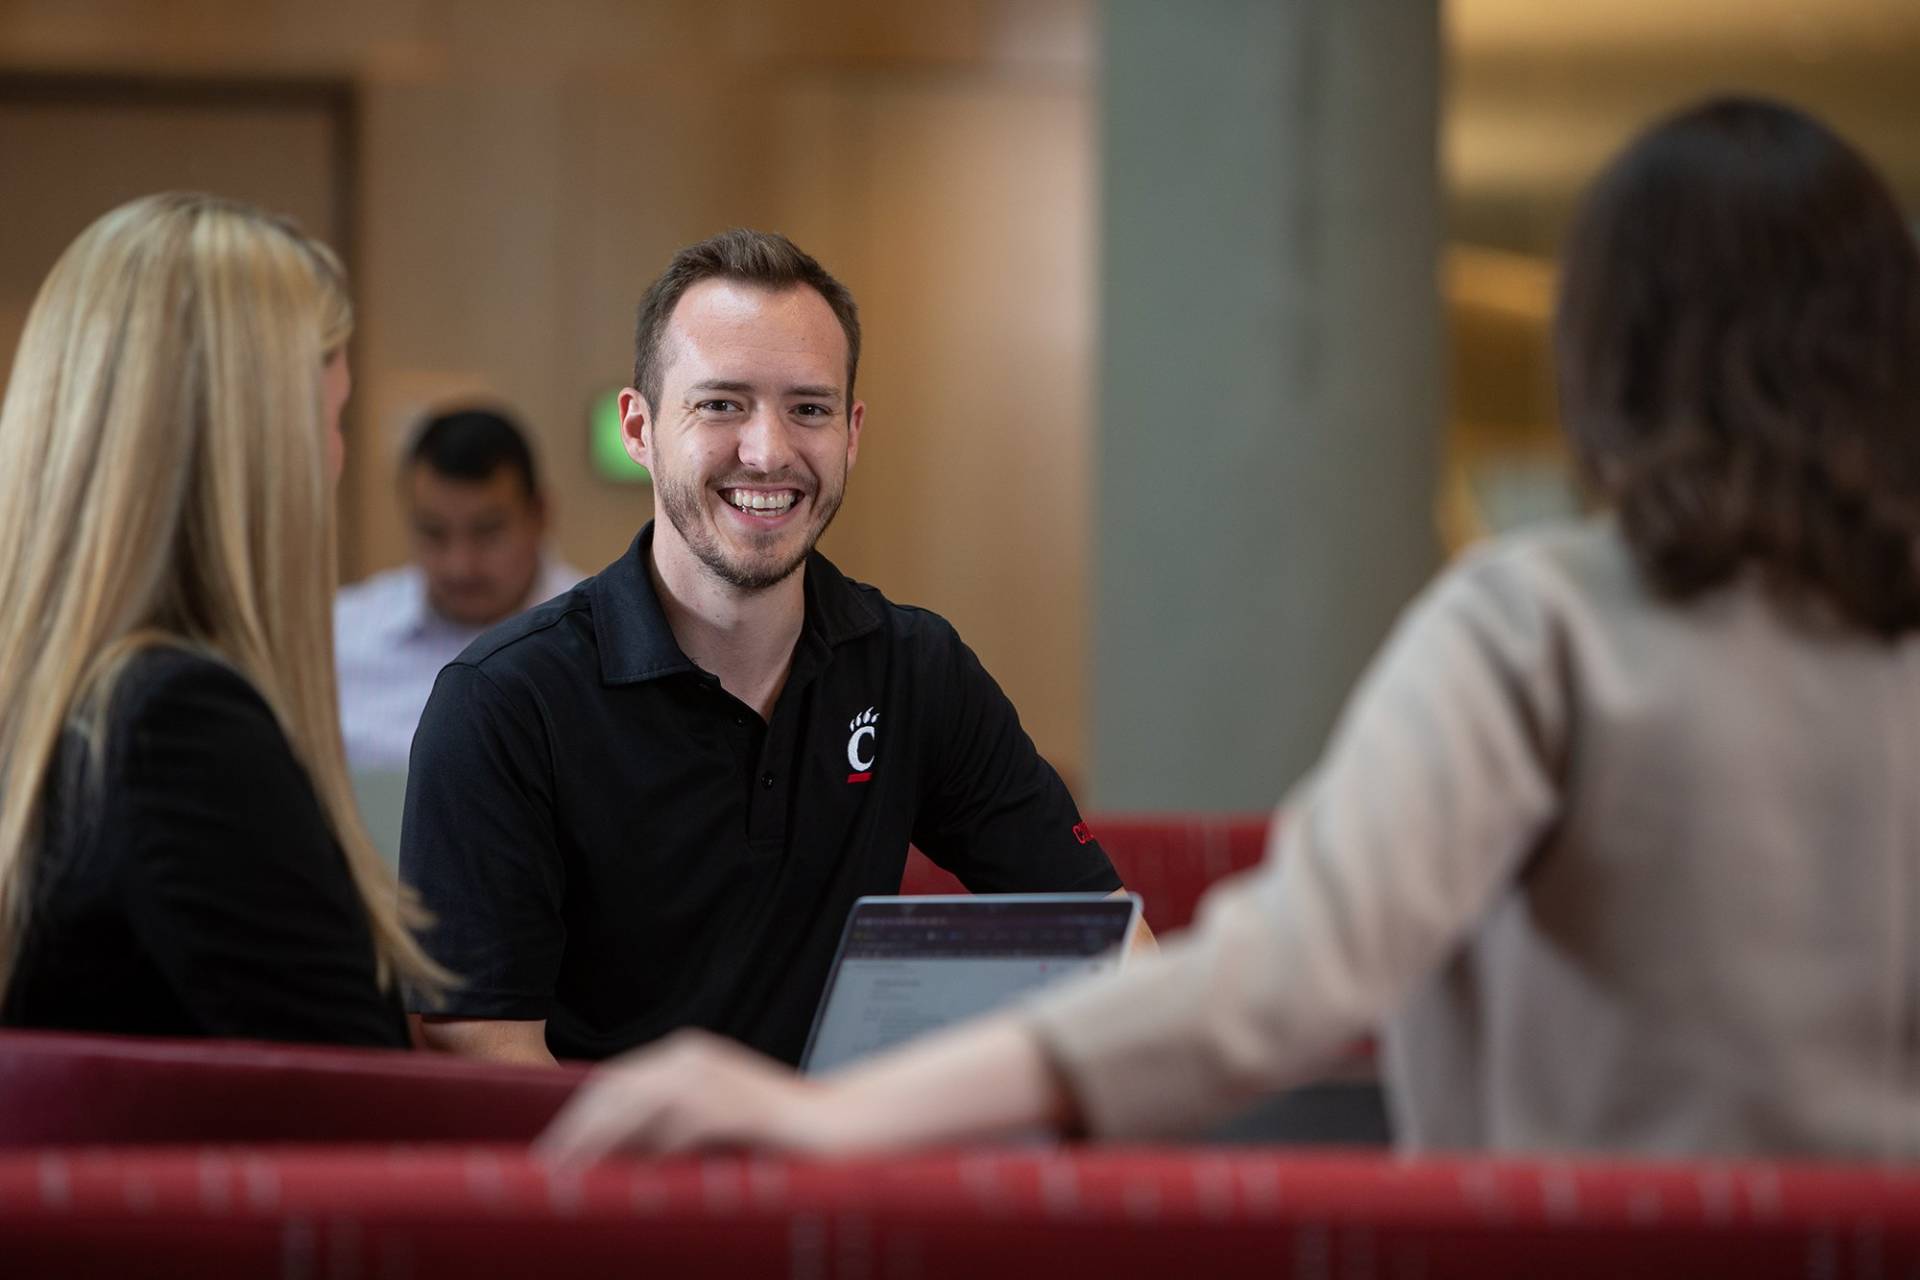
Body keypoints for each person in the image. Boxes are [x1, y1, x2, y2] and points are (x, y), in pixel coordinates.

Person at [539, 96, 1920, 1161]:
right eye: (725, 404)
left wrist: (831, 1118)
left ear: (1603, 353)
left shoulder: (1536, 625)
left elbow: (1289, 974)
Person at [403, 229, 1142, 1068]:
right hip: (602, 1151)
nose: (768, 451)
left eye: (809, 409)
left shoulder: (914, 669)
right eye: (721, 404)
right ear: (639, 427)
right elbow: (479, 1044)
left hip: (844, 1147)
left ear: (852, 433)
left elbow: (1112, 944)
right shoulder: (503, 700)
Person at [0, 192, 446, 1046]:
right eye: (330, 421)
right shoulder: (176, 727)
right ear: (255, 449)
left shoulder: (71, 702)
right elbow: (353, 1100)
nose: (336, 460)